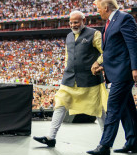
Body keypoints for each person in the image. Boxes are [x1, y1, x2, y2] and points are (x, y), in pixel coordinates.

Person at [33, 10, 108, 147]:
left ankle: (105, 142)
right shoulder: (68, 36)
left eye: (76, 22)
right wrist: (66, 68)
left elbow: (105, 51)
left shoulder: (94, 34)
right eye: (71, 22)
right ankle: (51, 137)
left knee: (99, 110)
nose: (73, 25)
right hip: (69, 79)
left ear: (83, 21)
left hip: (90, 79)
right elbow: (68, 56)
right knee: (60, 104)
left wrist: (98, 63)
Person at [87, 0, 137, 155]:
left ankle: (105, 145)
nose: (97, 11)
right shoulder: (108, 23)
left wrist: (136, 68)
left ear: (106, 7)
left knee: (112, 108)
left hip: (124, 72)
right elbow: (114, 51)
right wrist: (102, 65)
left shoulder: (124, 18)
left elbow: (132, 44)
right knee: (127, 109)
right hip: (115, 71)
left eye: (98, 8)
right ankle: (132, 142)